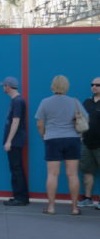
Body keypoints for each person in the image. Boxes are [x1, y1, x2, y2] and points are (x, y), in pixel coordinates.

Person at [35, 75, 88, 215]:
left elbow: (40, 123)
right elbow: (86, 118)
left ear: (53, 86)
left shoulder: (45, 102)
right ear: (67, 86)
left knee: (52, 174)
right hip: (72, 139)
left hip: (52, 139)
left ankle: (51, 207)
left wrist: (44, 136)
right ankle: (75, 208)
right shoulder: (74, 102)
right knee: (72, 174)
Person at [0, 76, 30, 206]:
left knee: (16, 168)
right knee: (15, 168)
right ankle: (18, 195)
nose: (3, 88)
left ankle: (21, 198)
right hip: (15, 140)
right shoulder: (16, 100)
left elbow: (16, 121)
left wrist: (9, 141)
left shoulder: (18, 101)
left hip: (15, 141)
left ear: (8, 86)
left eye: (4, 85)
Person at [79, 77, 100, 209]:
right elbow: (80, 119)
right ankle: (87, 198)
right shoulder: (87, 102)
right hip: (86, 144)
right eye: (92, 84)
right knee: (87, 171)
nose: (94, 87)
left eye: (97, 85)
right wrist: (80, 136)